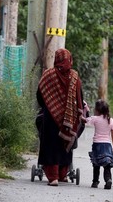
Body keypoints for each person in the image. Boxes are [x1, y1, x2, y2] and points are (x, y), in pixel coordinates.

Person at [36, 48, 84, 186]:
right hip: (68, 119)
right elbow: (80, 97)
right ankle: (63, 175)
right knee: (65, 145)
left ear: (56, 59)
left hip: (50, 117)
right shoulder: (74, 77)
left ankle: (53, 177)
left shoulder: (48, 75)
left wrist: (49, 106)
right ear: (70, 60)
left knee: (50, 144)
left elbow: (40, 95)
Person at [84, 99, 113, 190]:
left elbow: (85, 121)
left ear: (97, 110)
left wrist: (85, 110)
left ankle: (95, 182)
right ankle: (108, 180)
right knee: (107, 165)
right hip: (107, 145)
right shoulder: (110, 120)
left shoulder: (95, 119)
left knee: (96, 163)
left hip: (97, 145)